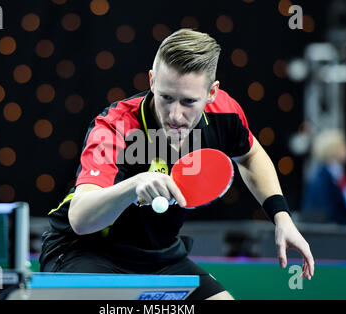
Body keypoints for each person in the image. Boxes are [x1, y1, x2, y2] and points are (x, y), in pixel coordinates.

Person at [39, 29, 314, 300]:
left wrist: (281, 216)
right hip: (86, 252)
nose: (175, 115)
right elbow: (80, 219)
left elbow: (251, 155)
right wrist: (133, 186)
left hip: (160, 258)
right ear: (152, 81)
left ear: (211, 93)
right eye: (166, 97)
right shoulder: (115, 127)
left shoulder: (225, 114)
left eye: (188, 102)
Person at [301, 129, 346, 224]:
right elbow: (325, 211)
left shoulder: (339, 174)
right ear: (333, 149)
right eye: (343, 146)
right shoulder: (321, 178)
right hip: (330, 233)